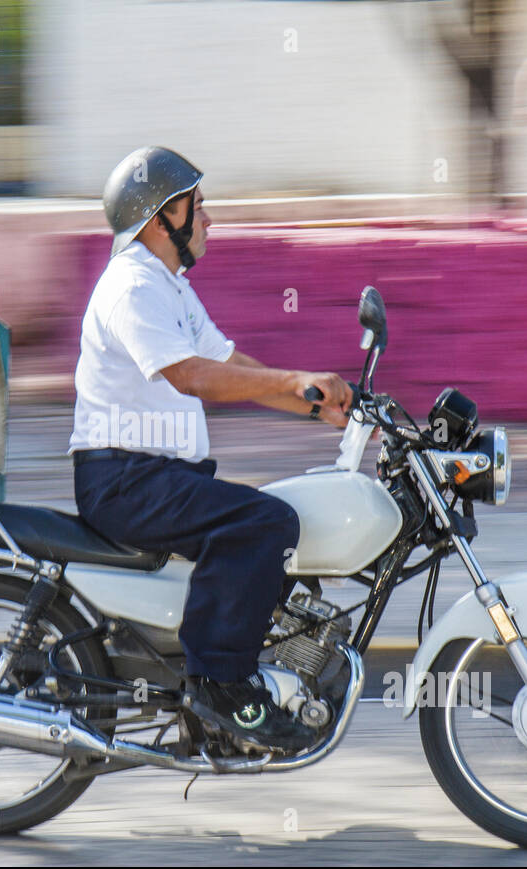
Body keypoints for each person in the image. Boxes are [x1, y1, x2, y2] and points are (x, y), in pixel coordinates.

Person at [67, 146, 352, 753]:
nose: (209, 219)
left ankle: (220, 697)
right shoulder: (132, 286)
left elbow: (227, 363)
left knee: (263, 529)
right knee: (264, 522)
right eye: (198, 206)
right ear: (160, 216)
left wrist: (313, 400)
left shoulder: (167, 286)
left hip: (155, 477)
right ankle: (219, 688)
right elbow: (191, 376)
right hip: (125, 480)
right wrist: (288, 384)